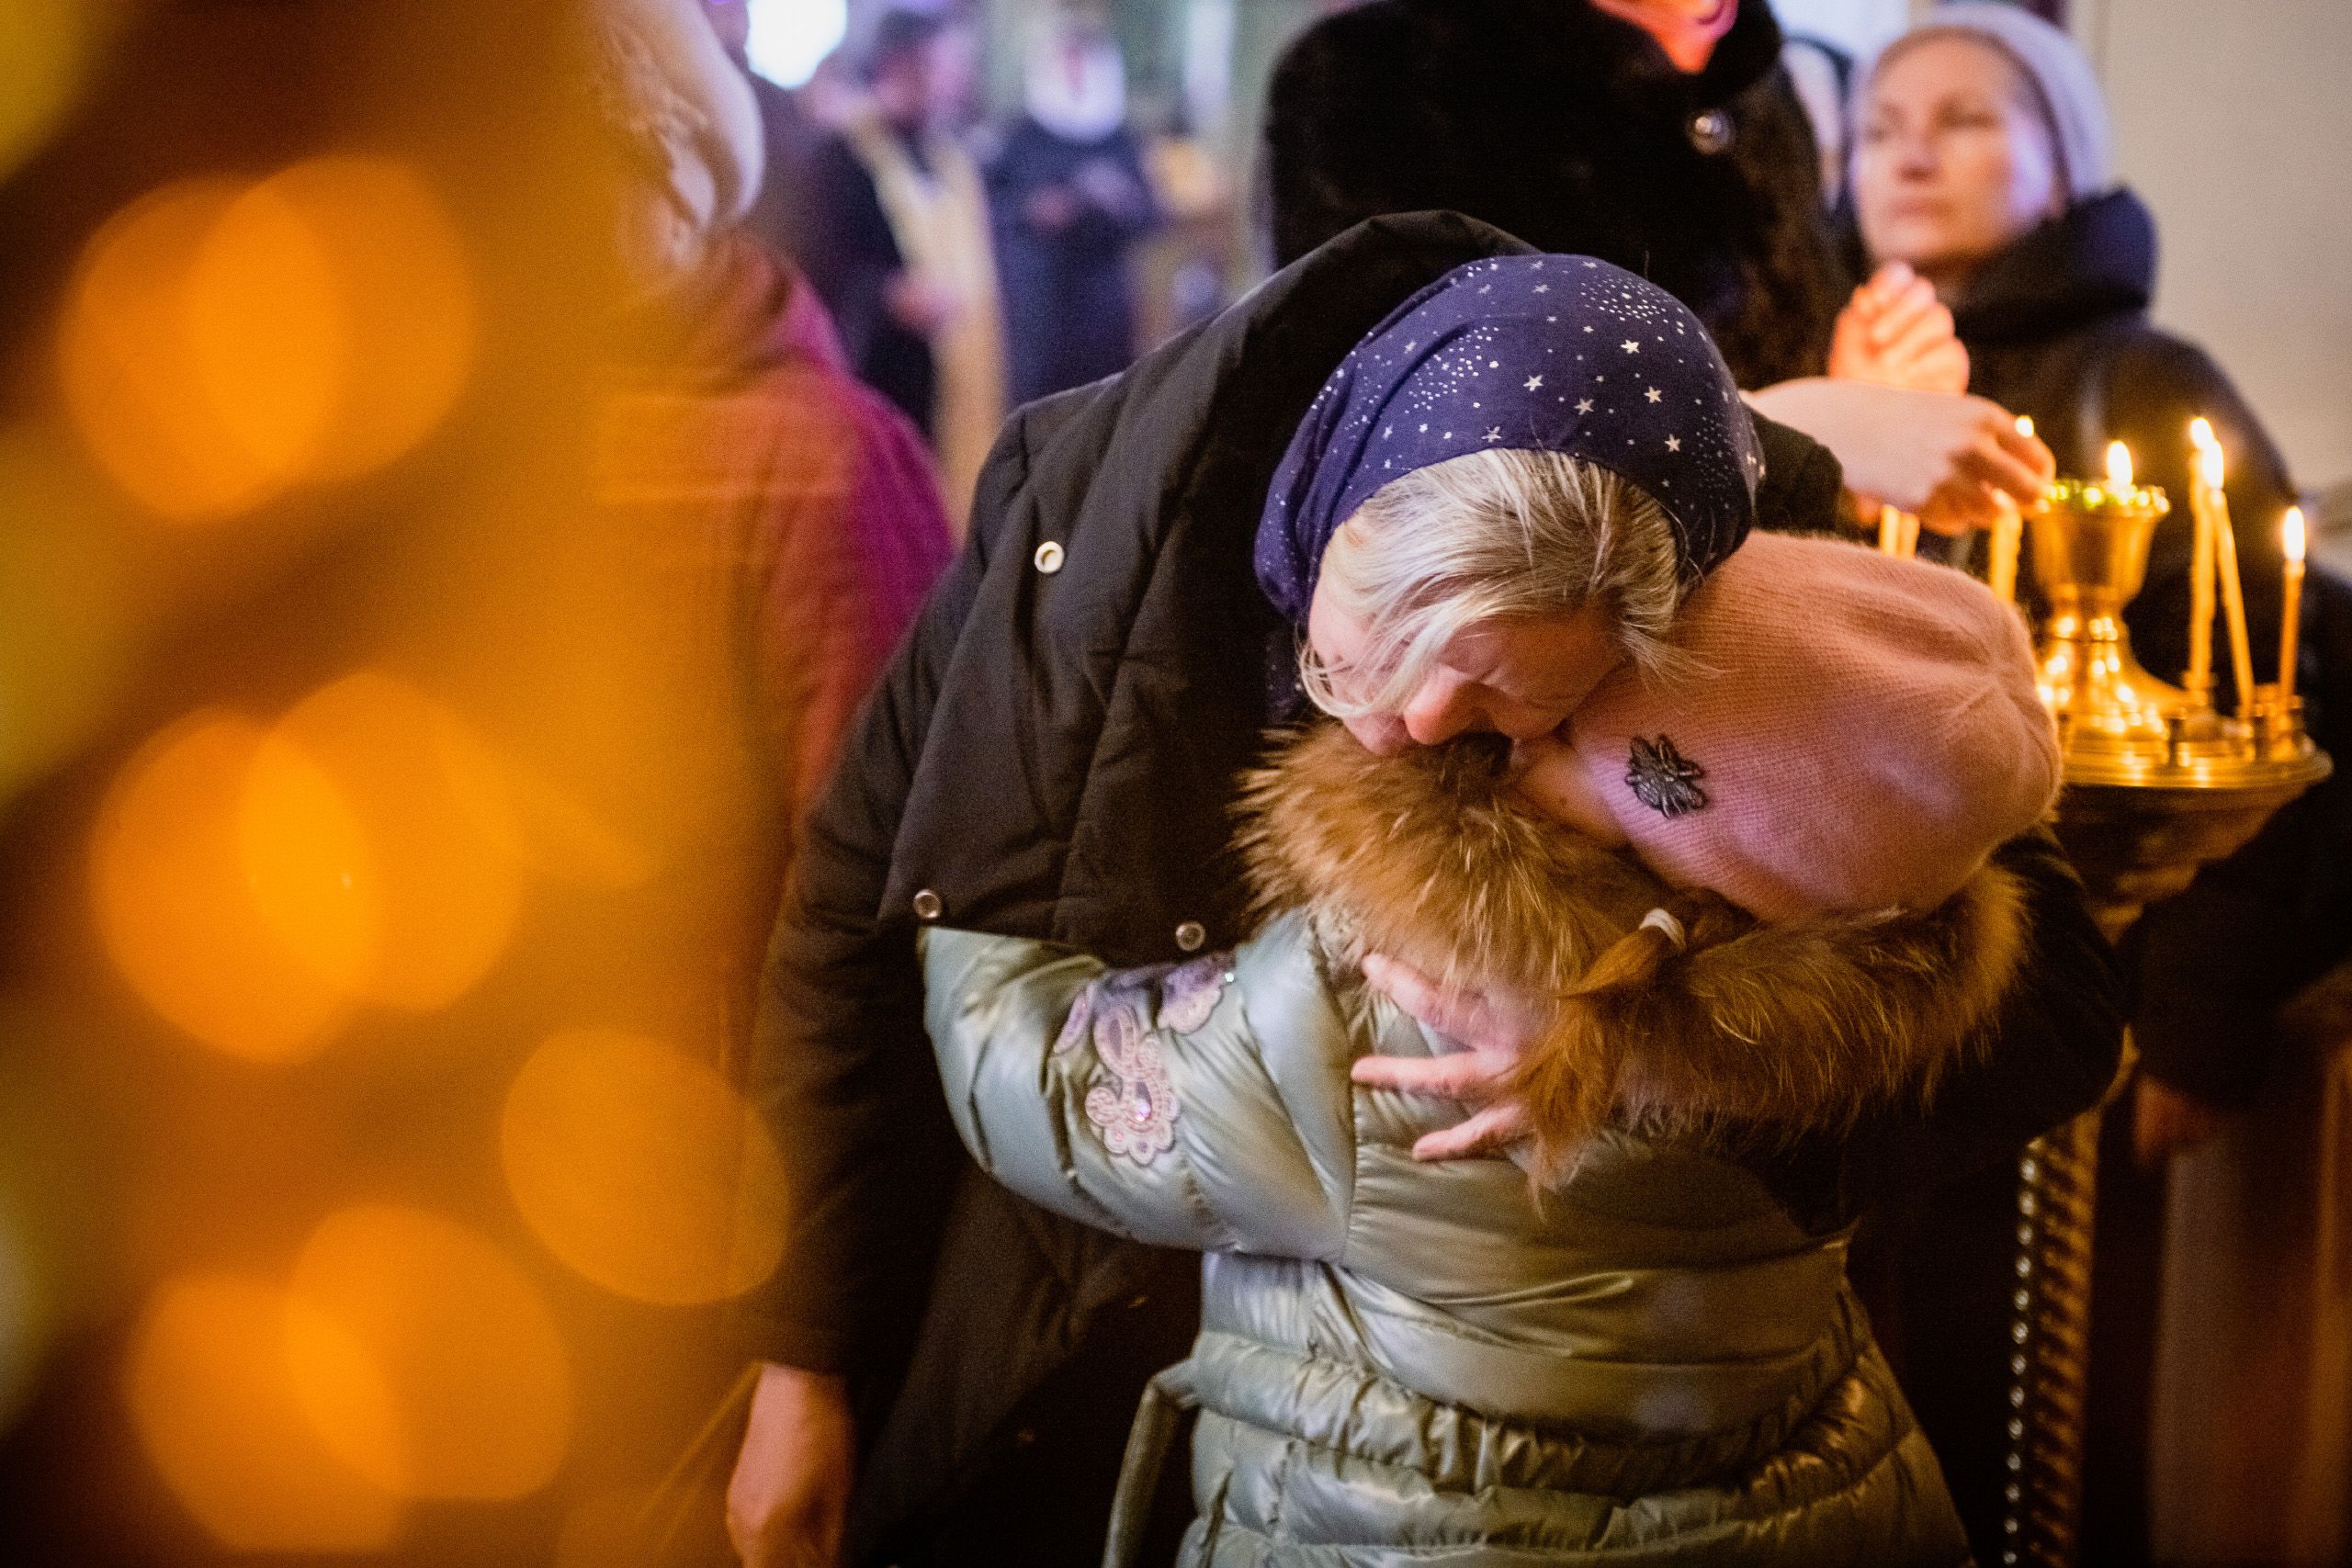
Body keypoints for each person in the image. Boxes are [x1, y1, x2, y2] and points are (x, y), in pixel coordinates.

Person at [724, 209, 2123, 1567]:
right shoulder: (1082, 505)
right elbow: (859, 905)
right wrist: (805, 1355)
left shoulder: (1734, 535)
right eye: (1349, 663)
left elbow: (2049, 1004)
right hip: (1051, 1370)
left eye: (1512, 704)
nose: (1405, 725)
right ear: (1330, 502)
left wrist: (1659, 1032)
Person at [1843, 7, 2346, 1554]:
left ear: (2069, 157)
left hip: (2076, 1025)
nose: (1912, 148)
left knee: (2038, 1433)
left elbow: (2309, 709)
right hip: (1856, 1025)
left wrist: (2199, 1004)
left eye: (1970, 117)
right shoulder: (1820, 388)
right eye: (1879, 125)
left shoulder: (2138, 382)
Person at [1261, 0, 2056, 571]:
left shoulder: (1765, 102)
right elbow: (1412, 466)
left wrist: (1861, 405)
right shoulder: (1386, 78)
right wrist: (1799, 435)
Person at [591, 0, 955, 1043]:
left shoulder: (820, 459)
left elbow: (873, 878)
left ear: (678, 195)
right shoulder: (475, 449)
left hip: (718, 1117)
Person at [794, 8, 1002, 526]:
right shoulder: (840, 158)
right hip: (886, 374)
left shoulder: (951, 156)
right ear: (895, 67)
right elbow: (818, 257)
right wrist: (888, 293)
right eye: (934, 68)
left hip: (961, 375)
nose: (947, 83)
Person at [984, 15, 1159, 405]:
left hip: (1104, 312)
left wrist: (1119, 201)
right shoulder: (1021, 136)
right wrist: (1035, 211)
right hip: (1039, 314)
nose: (1075, 73)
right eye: (1066, 62)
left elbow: (1152, 214)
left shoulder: (1119, 138)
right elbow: (993, 210)